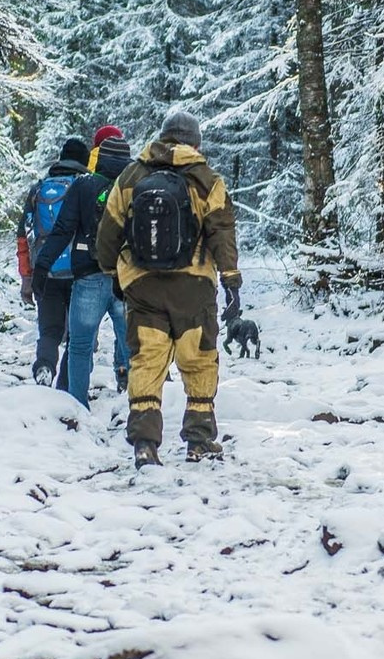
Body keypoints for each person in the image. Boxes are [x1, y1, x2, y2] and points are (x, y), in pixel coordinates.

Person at [94, 110, 241, 466]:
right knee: (199, 361)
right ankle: (199, 439)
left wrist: (115, 273)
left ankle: (145, 443)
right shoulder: (207, 179)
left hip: (143, 288)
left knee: (147, 361)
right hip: (194, 289)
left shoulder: (131, 175)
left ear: (162, 137)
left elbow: (108, 233)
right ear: (195, 142)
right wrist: (231, 280)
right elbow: (222, 232)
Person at [41, 124, 131, 408]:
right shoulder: (135, 186)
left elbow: (63, 229)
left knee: (79, 347)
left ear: (98, 157)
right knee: (133, 348)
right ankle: (137, 406)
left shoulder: (83, 186)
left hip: (88, 277)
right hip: (127, 279)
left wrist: (43, 265)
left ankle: (77, 407)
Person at [16, 137, 90, 386]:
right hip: (79, 271)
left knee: (49, 330)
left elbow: (23, 235)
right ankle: (67, 384)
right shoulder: (84, 186)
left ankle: (45, 367)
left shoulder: (38, 189)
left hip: (45, 270)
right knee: (77, 336)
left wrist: (27, 275)